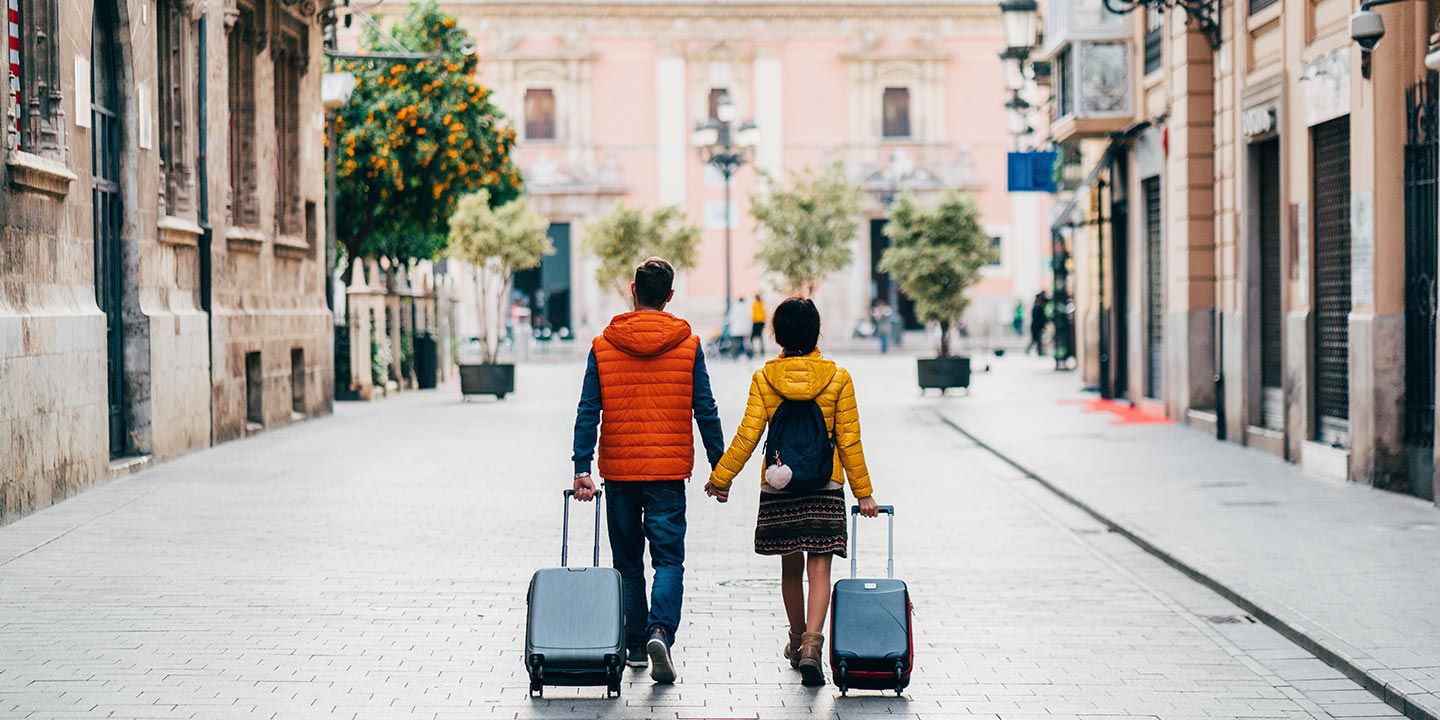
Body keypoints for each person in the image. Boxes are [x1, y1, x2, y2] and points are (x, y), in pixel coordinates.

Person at [702, 298, 879, 687]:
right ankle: (814, 645)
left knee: (790, 566)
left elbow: (748, 436)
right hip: (825, 484)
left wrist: (721, 477)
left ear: (776, 334)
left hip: (780, 483)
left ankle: (797, 640)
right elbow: (850, 441)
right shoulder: (837, 378)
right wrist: (863, 492)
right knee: (820, 567)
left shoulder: (765, 378)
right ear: (816, 332)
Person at [571, 257, 726, 684]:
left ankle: (636, 645)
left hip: (619, 471)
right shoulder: (688, 343)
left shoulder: (604, 344)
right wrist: (721, 468)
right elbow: (705, 409)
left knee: (627, 562)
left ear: (633, 291)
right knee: (669, 560)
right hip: (667, 473)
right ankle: (661, 630)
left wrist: (581, 465)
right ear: (670, 296)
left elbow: (589, 408)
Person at [1027, 291, 1049, 355]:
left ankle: (1039, 352)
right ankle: (1032, 351)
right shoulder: (1037, 307)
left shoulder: (1038, 306)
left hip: (1037, 326)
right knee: (1035, 339)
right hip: (1036, 326)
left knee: (1037, 340)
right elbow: (1039, 318)